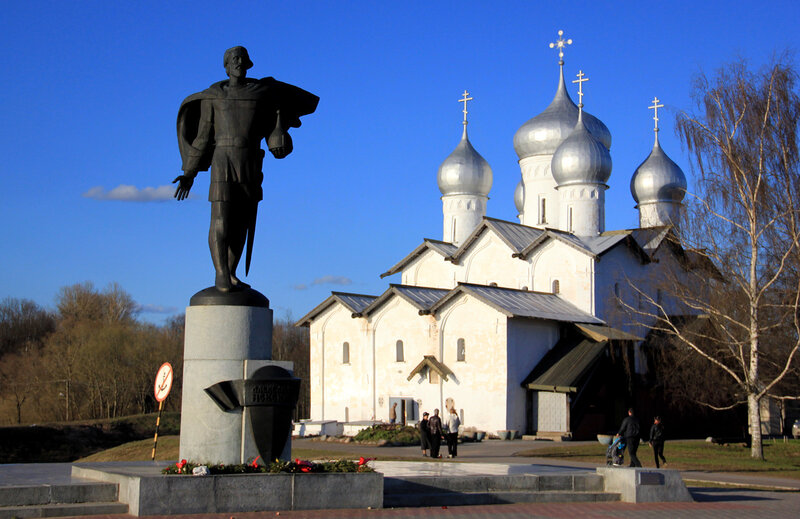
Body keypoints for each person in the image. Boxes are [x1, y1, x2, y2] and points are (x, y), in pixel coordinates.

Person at [174, 46, 318, 293]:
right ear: (226, 66)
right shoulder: (213, 96)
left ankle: (231, 272)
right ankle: (221, 275)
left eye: (242, 59)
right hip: (223, 159)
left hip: (250, 159)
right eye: (234, 59)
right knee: (221, 218)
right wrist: (189, 172)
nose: (239, 63)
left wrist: (279, 117)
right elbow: (203, 136)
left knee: (242, 222)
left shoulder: (261, 93)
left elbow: (301, 105)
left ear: (248, 64)